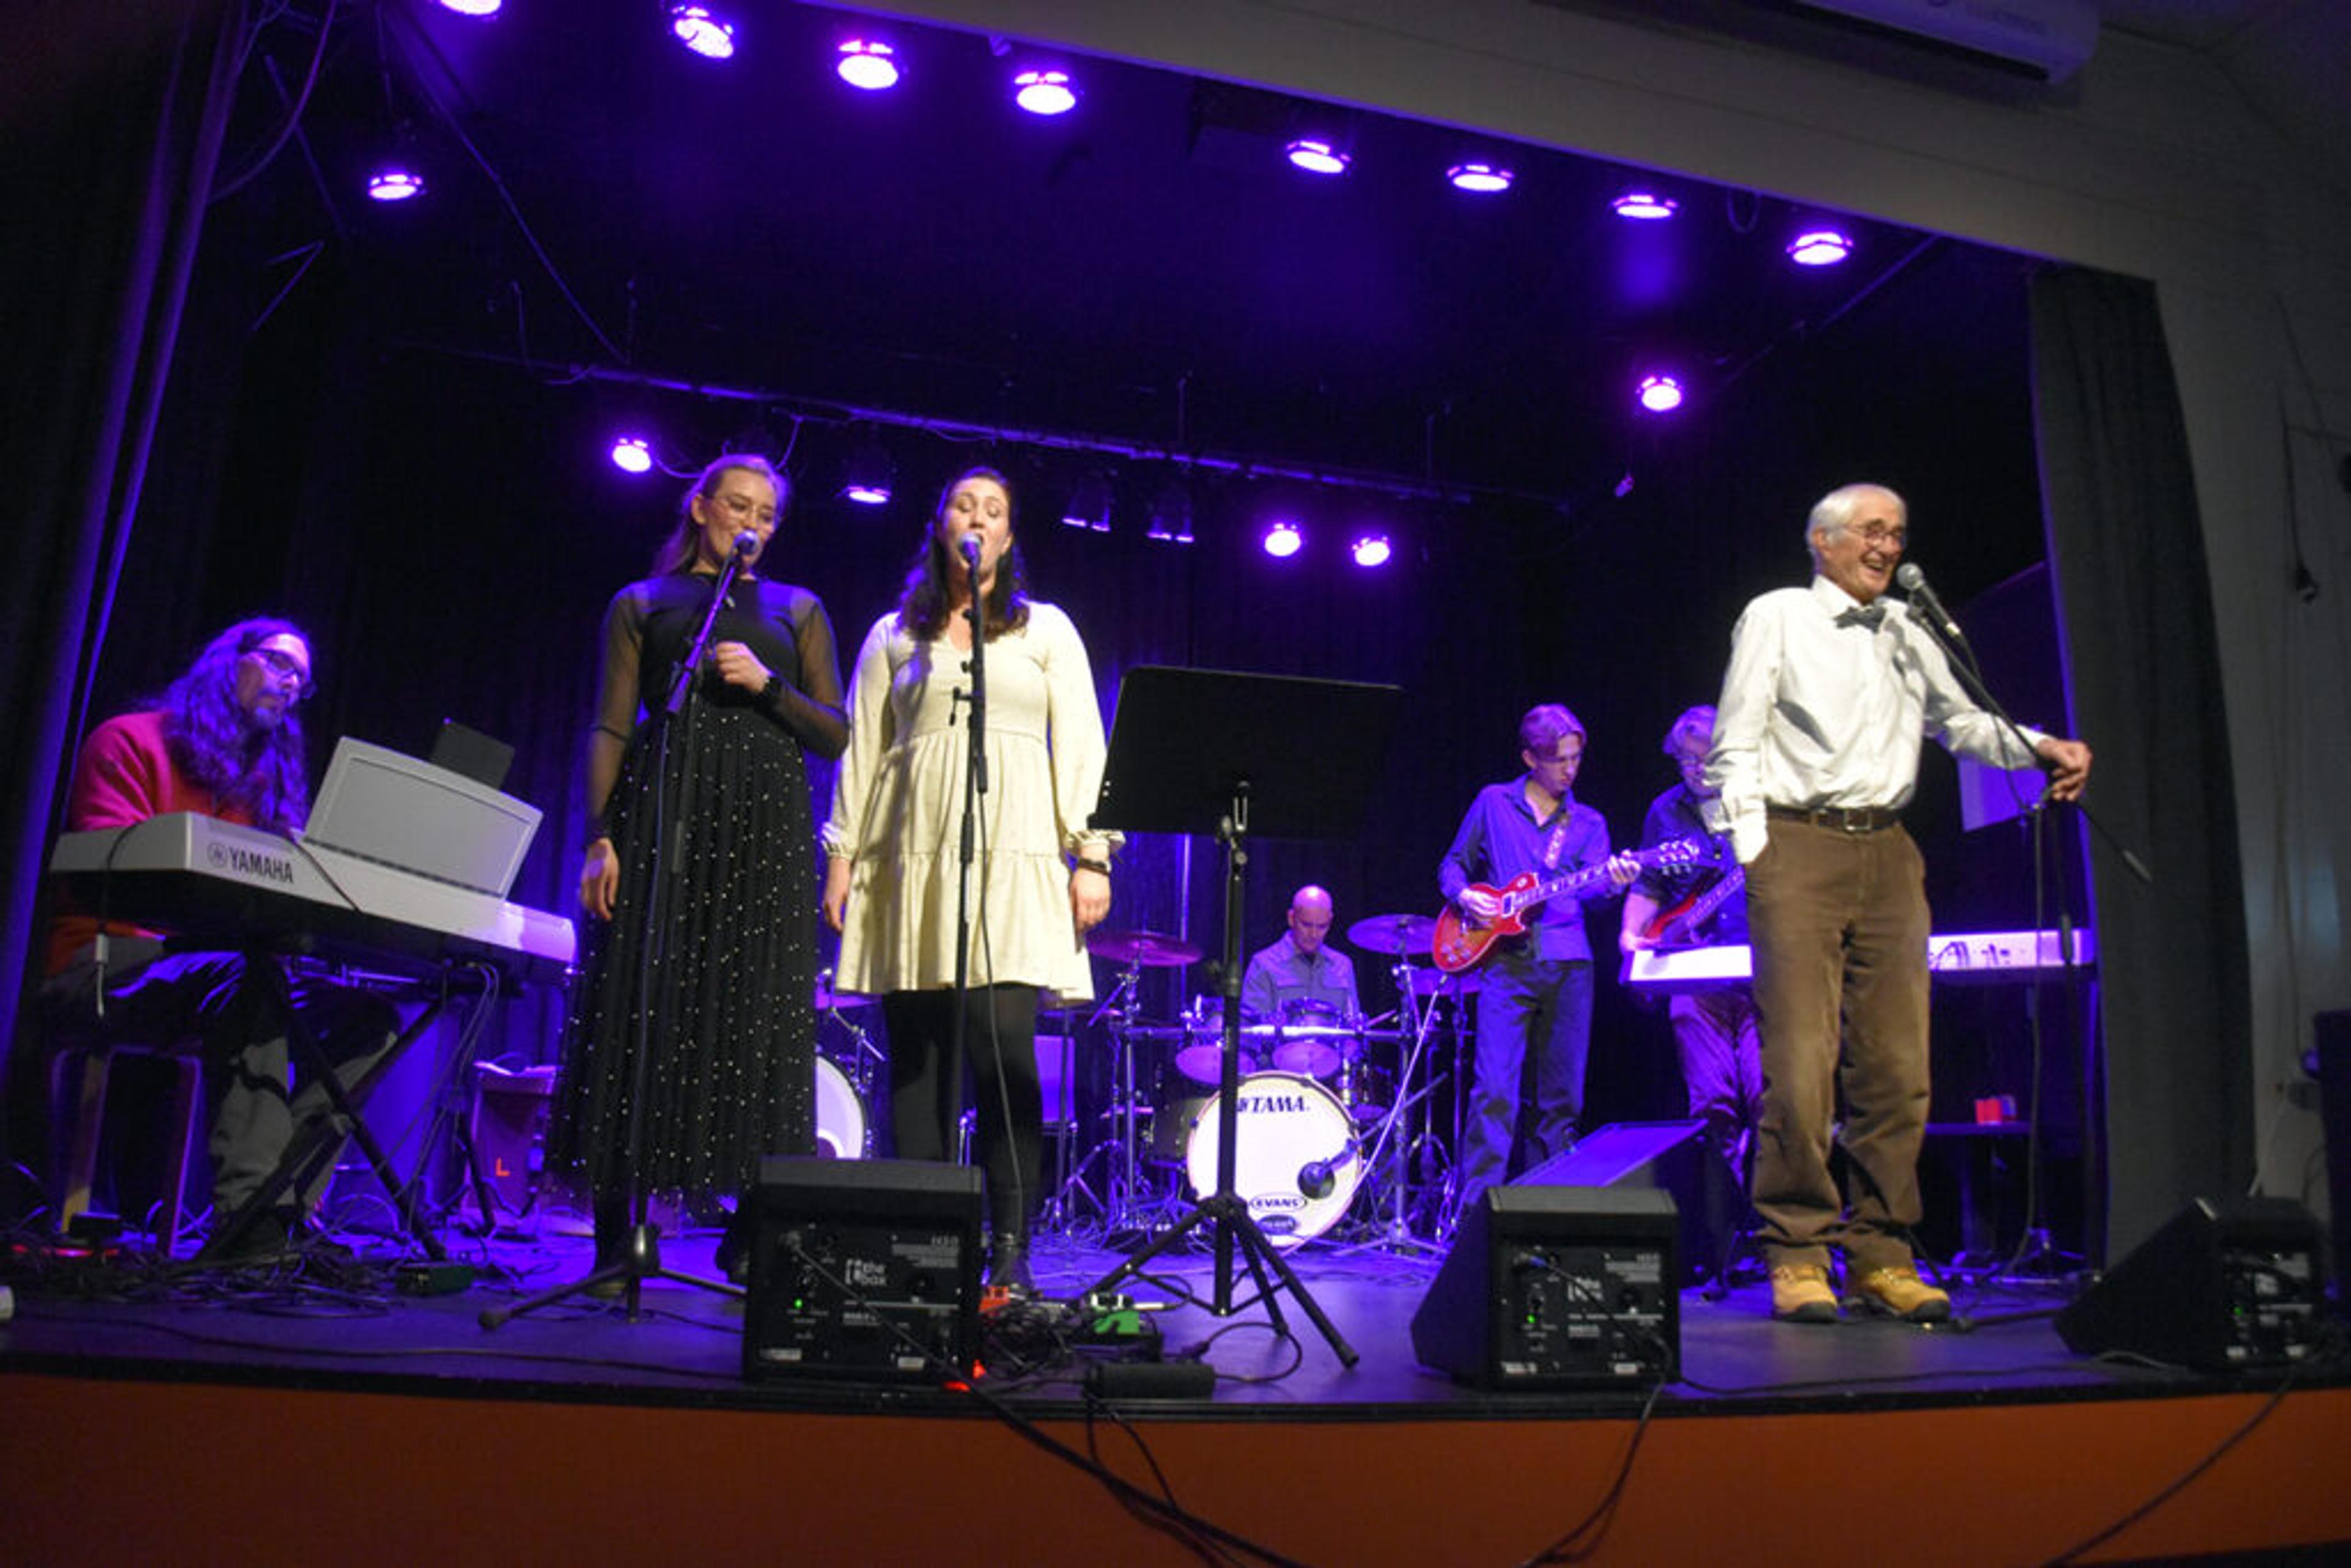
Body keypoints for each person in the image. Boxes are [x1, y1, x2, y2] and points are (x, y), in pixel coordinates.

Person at [1709, 482, 2091, 1323]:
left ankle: (1881, 1253)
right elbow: (1735, 739)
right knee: (1801, 1062)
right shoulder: (1777, 614)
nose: (1888, 545)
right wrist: (1753, 847)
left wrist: (2042, 746)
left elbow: (1965, 725)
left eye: (1897, 533)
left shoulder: (1909, 629)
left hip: (1888, 847)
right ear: (1823, 541)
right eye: (1872, 531)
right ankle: (1797, 1249)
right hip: (1797, 840)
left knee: (1898, 1065)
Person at [550, 454, 846, 1286]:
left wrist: (769, 685)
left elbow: (835, 731)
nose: (751, 522)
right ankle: (618, 1239)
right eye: (738, 505)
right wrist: (599, 837)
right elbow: (612, 726)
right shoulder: (642, 602)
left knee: (759, 1017)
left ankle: (748, 1231)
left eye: (766, 513)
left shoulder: (797, 608)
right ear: (702, 507)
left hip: (764, 827)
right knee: (637, 1005)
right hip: (662, 816)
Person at [822, 467, 1116, 1295]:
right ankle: (926, 1248)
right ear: (941, 523)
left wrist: (1091, 854)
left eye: (994, 510)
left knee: (1005, 1054)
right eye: (963, 504)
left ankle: (1011, 1251)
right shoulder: (893, 635)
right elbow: (863, 749)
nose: (977, 518)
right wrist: (840, 853)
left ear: (1008, 536)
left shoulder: (1046, 630)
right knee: (918, 1065)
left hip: (1015, 863)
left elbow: (1082, 745)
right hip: (912, 864)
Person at [40, 617, 399, 1260]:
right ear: (229, 659)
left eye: (303, 680)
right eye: (281, 663)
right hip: (106, 962)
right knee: (247, 973)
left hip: (218, 973)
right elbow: (116, 875)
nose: (292, 684)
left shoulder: (263, 786)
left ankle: (284, 1211)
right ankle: (248, 1217)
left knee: (368, 1020)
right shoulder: (129, 740)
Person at [1438, 704, 1638, 1210]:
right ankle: (1475, 1213)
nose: (1571, 769)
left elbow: (1594, 897)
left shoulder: (1589, 822)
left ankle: (1547, 1210)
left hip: (1570, 963)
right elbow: (1453, 865)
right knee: (1494, 1090)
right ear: (1531, 758)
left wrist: (1614, 885)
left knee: (1561, 1099)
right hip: (1506, 963)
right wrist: (1465, 895)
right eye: (1559, 760)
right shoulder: (1493, 802)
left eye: (1576, 758)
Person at [1619, 704, 1761, 1279]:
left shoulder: (1760, 799)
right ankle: (1724, 1242)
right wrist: (1631, 935)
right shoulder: (1665, 811)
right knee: (1711, 1106)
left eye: (1705, 759)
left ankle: (1780, 1236)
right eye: (1685, 761)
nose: (1696, 769)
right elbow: (1650, 886)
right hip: (1693, 978)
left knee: (1772, 1099)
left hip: (1761, 973)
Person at [1240, 884, 1360, 1024]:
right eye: (1307, 925)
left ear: (1330, 921)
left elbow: (1353, 1026)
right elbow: (1250, 1028)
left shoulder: (1343, 966)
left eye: (1322, 927)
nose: (1314, 935)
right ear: (1291, 918)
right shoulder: (1263, 964)